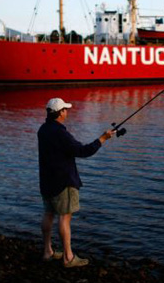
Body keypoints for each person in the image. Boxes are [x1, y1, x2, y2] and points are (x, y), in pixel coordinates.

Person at [38, 97, 115, 268]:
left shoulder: (42, 130)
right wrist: (102, 139)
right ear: (60, 113)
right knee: (65, 219)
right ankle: (68, 257)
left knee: (48, 214)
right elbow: (82, 151)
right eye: (65, 109)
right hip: (63, 182)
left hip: (46, 181)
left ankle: (47, 251)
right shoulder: (60, 133)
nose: (67, 112)